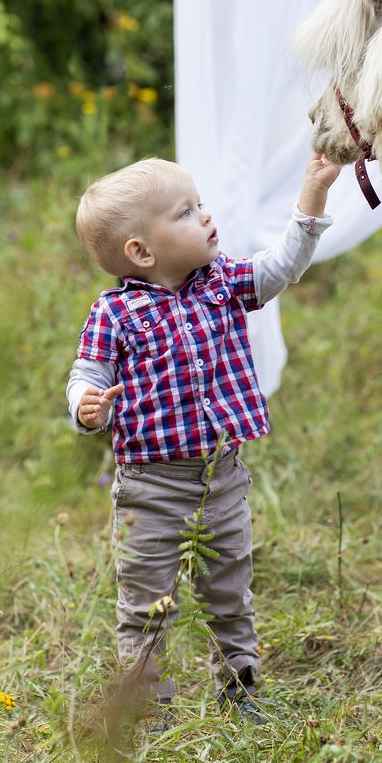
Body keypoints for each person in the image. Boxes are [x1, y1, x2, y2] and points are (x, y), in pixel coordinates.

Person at [66, 153, 339, 726]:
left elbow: (283, 265)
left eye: (201, 205)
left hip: (221, 479)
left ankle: (241, 690)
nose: (206, 217)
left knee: (229, 594)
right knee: (146, 604)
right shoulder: (115, 313)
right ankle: (148, 708)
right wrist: (86, 406)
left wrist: (312, 195)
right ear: (142, 252)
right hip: (149, 490)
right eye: (185, 213)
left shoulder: (222, 284)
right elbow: (88, 374)